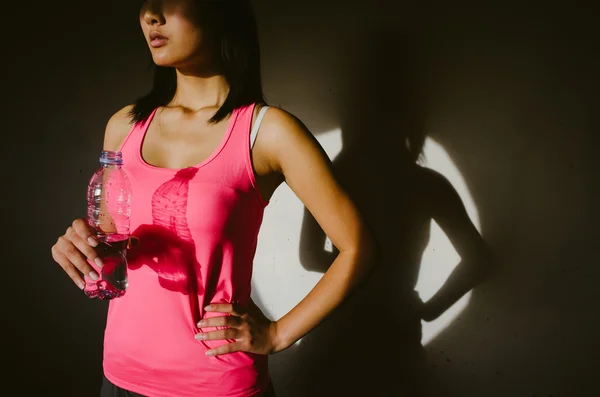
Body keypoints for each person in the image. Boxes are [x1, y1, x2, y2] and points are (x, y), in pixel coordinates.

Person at [50, 0, 376, 396]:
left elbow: (357, 247)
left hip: (217, 384)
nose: (151, 14)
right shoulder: (124, 125)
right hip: (121, 376)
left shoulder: (266, 131)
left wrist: (276, 334)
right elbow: (111, 248)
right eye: (146, 2)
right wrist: (80, 250)